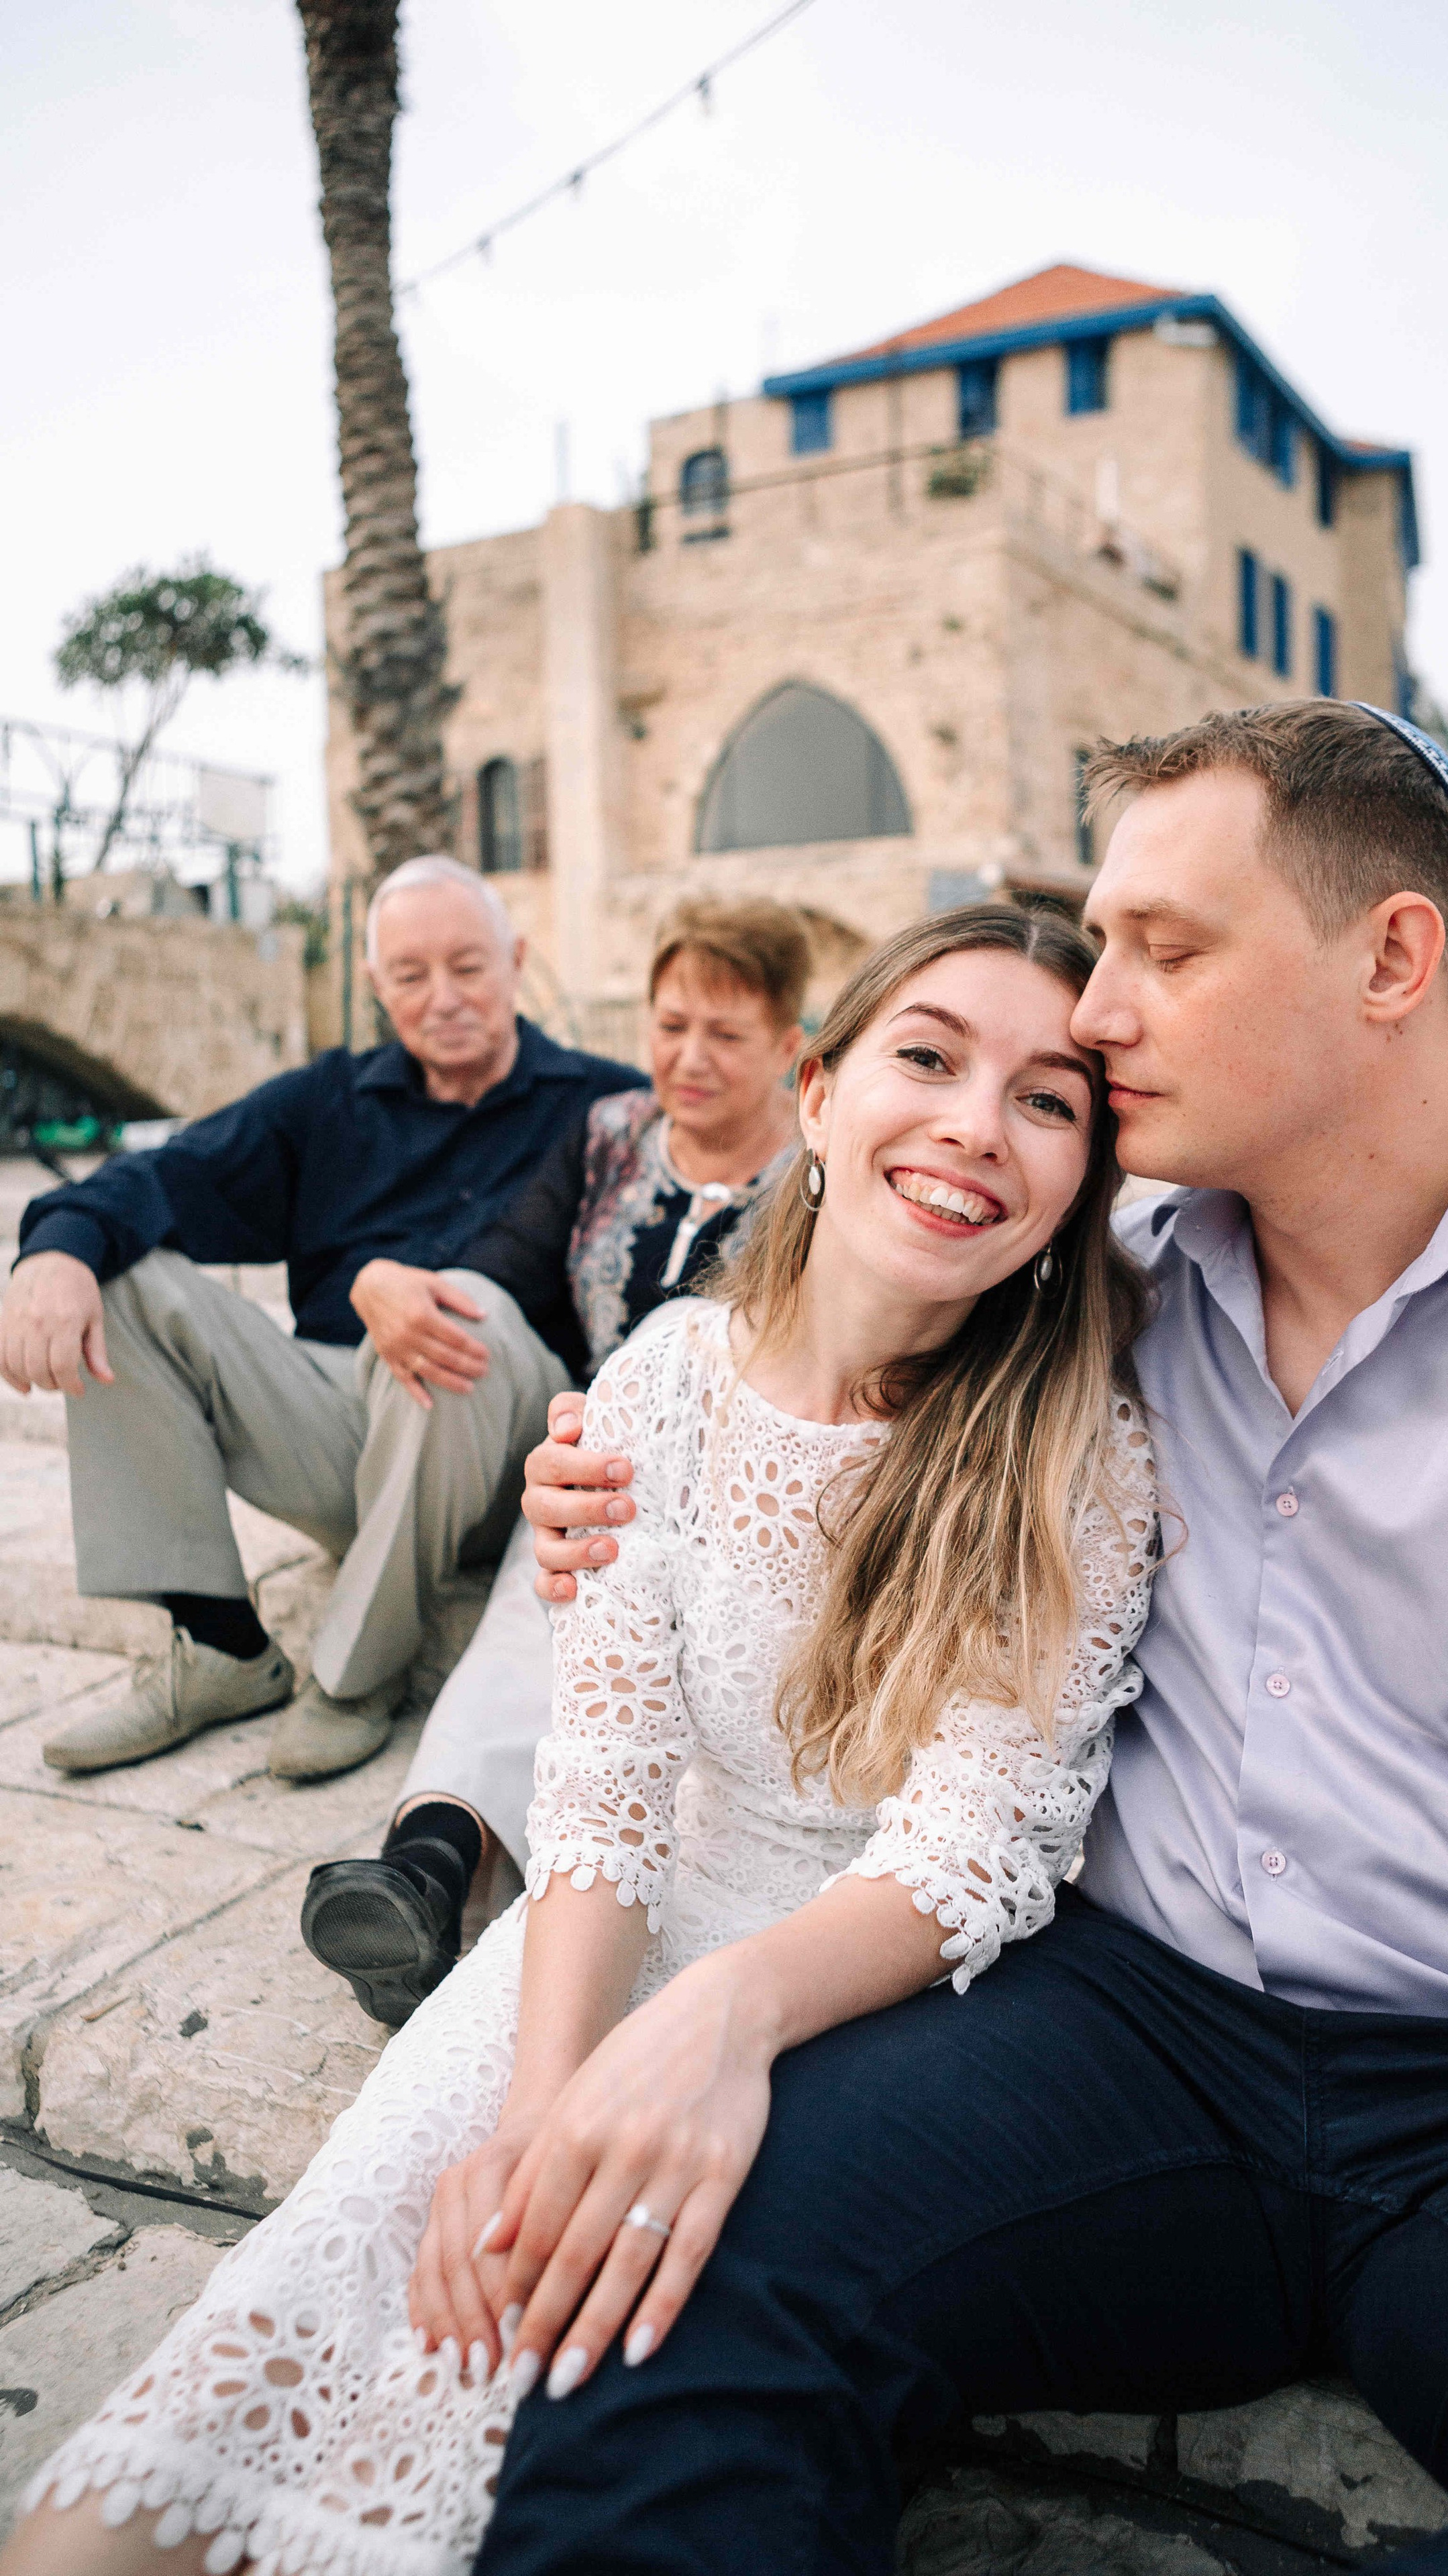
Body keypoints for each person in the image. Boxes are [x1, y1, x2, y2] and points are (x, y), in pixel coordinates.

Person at [496, 700, 1448, 2575]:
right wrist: (593, 1469)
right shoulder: (1106, 1270)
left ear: (1393, 956)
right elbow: (793, 1365)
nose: (1097, 1010)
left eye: (1166, 947)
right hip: (1133, 2030)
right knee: (672, 2280)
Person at [5, 904, 1157, 2576]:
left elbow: (968, 1847)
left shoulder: (1070, 1449)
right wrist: (533, 2111)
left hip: (860, 1991)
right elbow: (607, 1784)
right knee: (111, 2517)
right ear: (818, 1099)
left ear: (1079, 1183)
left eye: (1048, 1101)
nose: (978, 1123)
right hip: (605, 1926)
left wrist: (702, 2041)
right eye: (928, 1057)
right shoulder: (668, 1377)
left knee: (536, 2399)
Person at [0, 854, 643, 1784]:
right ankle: (218, 1645)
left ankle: (356, 1674)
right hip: (341, 1430)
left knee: (465, 1310)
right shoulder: (328, 1101)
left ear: (516, 959)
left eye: (468, 966)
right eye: (411, 976)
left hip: (509, 1458)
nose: (444, 997)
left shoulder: (606, 1104)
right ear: (378, 986)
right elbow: (168, 1175)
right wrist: (56, 1250)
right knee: (126, 1277)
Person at [301, 896, 809, 2027]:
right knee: (578, 1503)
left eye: (726, 1035)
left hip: (738, 1476)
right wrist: (389, 1281)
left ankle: (435, 1858)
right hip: (592, 1457)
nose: (688, 1057)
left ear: (791, 1048)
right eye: (671, 1024)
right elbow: (508, 1260)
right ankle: (423, 1873)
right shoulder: (611, 1133)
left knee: (591, 1529)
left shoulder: (823, 1174)